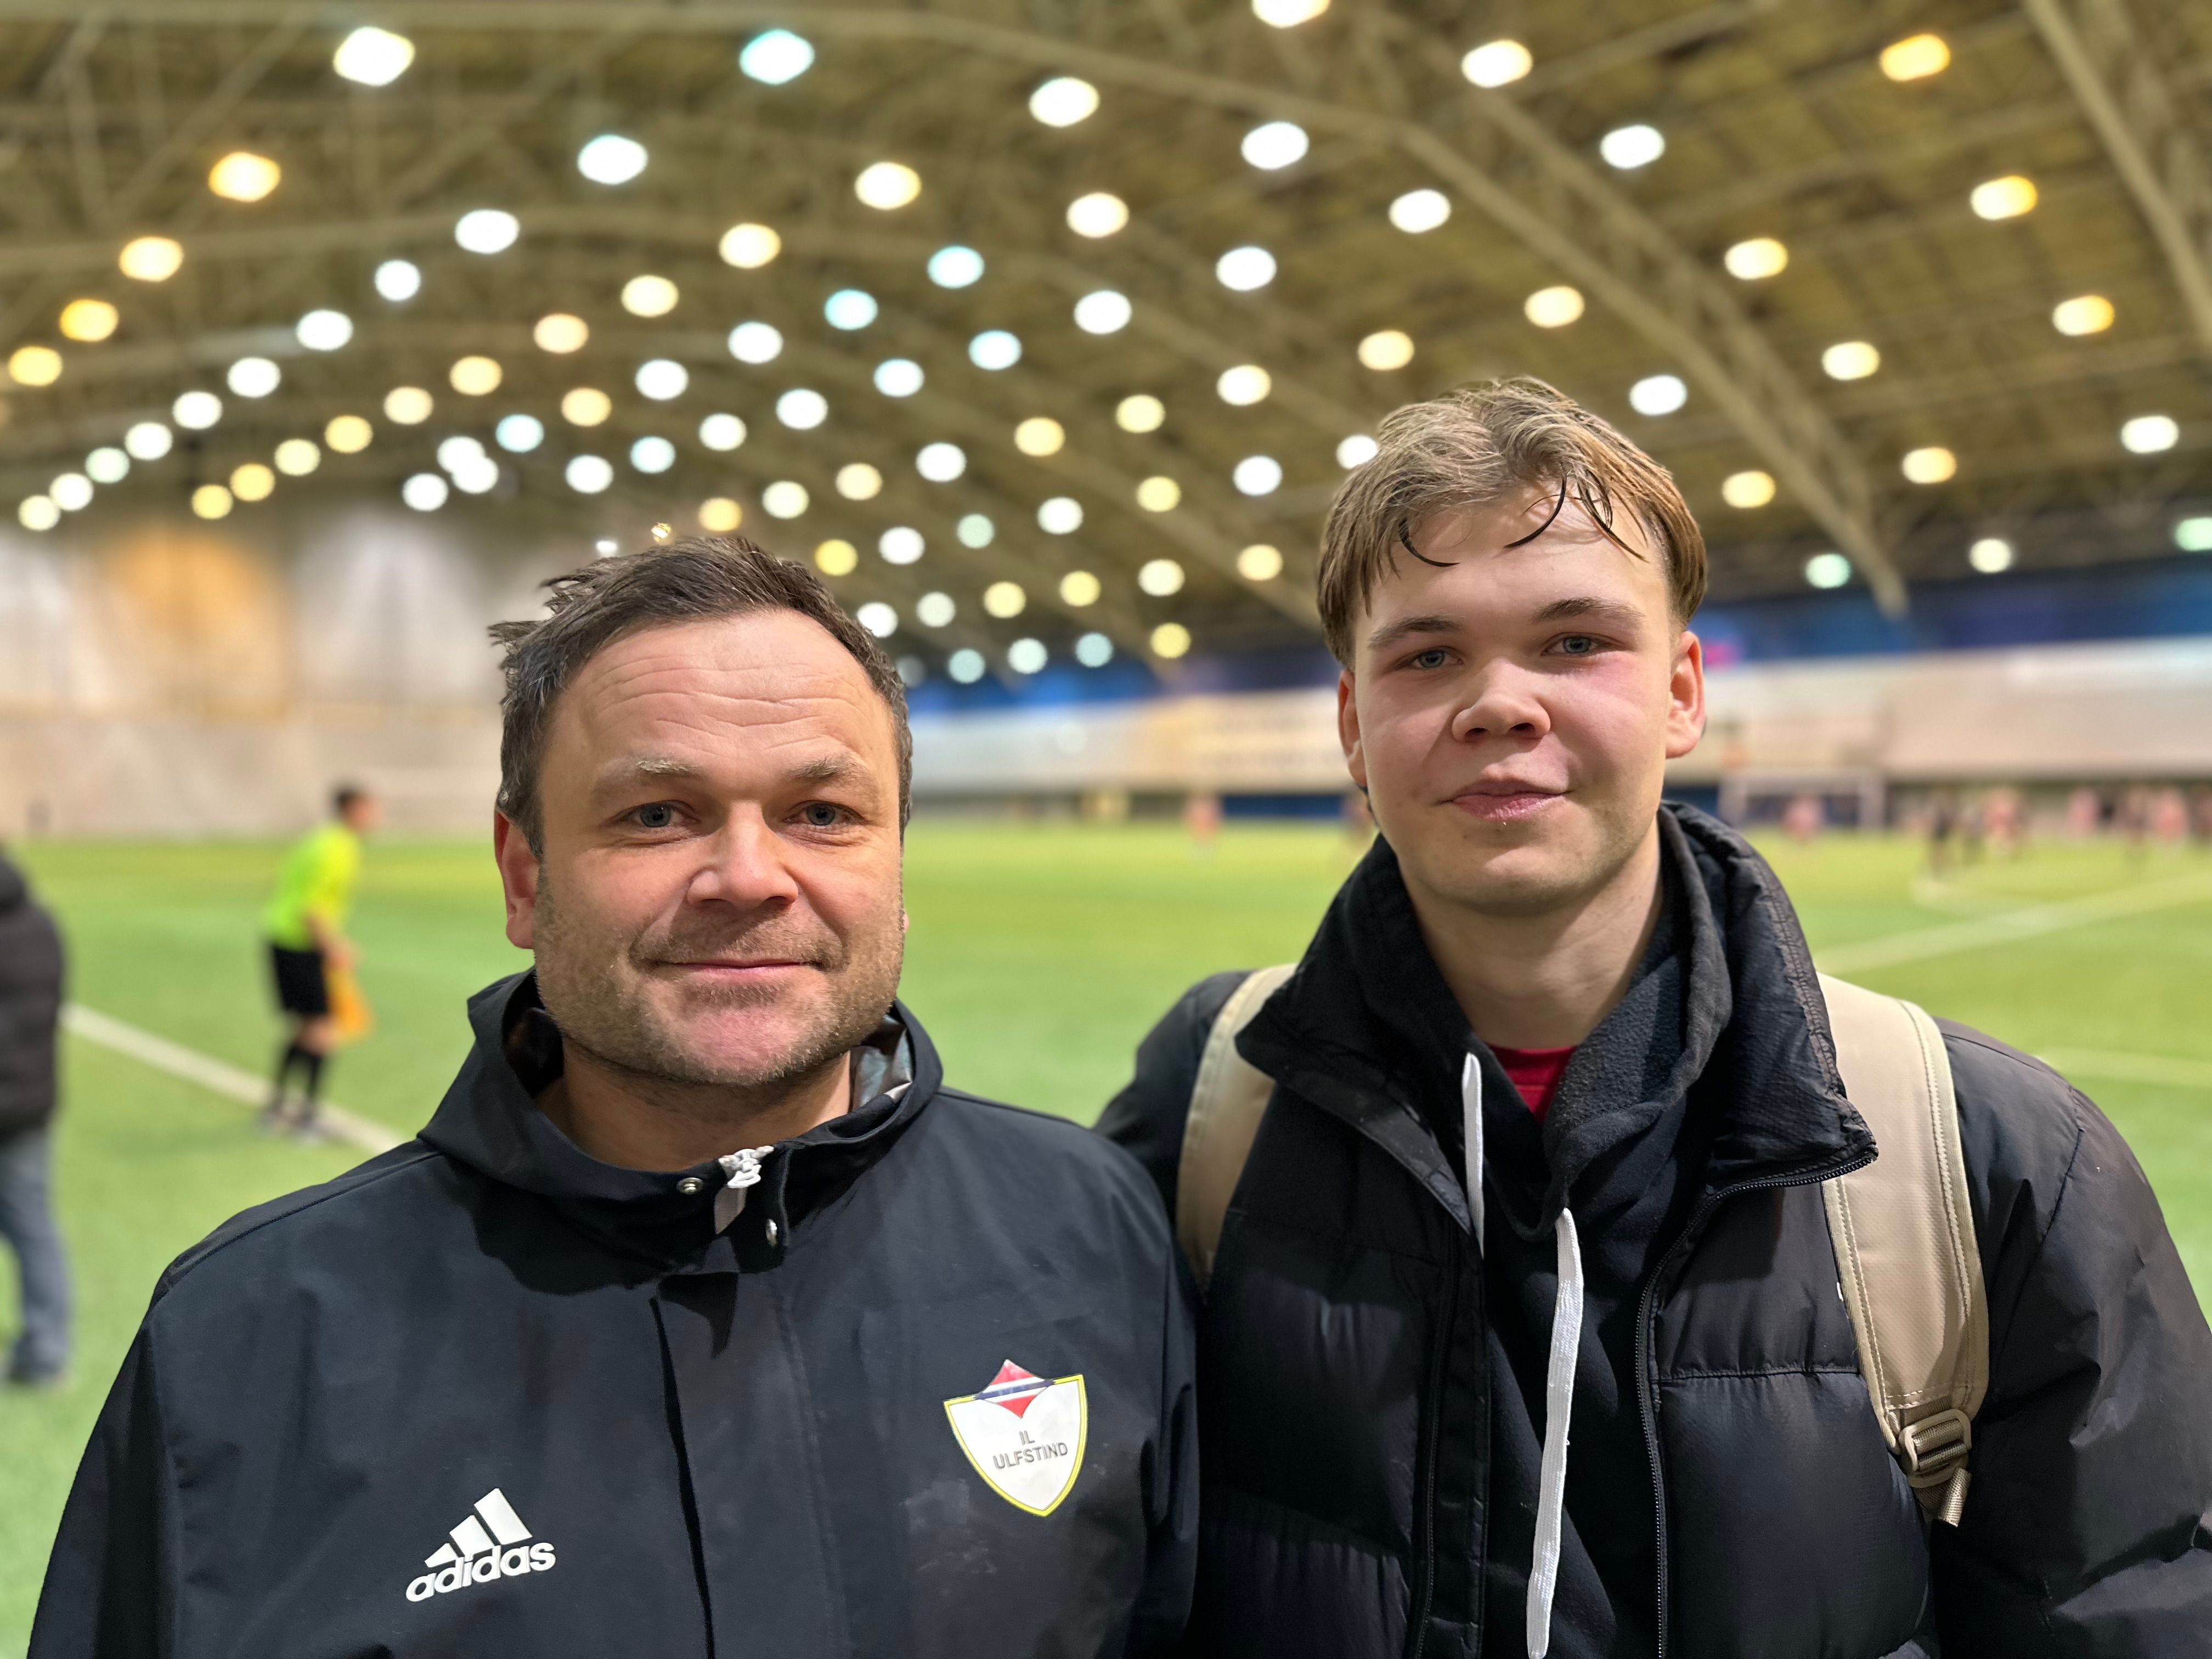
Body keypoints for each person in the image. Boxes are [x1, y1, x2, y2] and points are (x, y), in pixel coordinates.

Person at [1099, 379, 2212, 1656]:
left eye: (1576, 642)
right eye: (1427, 655)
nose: (1501, 702)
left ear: (1683, 692)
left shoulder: (1991, 1158)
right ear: (1355, 725)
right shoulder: (1214, 1100)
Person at [36, 540, 1194, 1656]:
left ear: (895, 860)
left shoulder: (1091, 1230)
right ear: (523, 875)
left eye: (823, 814)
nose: (748, 877)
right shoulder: (251, 1339)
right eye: (656, 814)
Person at [261, 783, 378, 1136]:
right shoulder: (337, 848)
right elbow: (311, 907)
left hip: (283, 937)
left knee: (305, 1026)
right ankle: (308, 1119)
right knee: (323, 1029)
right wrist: (334, 947)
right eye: (370, 808)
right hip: (303, 944)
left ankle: (275, 1109)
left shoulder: (319, 840)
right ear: (352, 809)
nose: (375, 817)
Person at [0, 847, 68, 1389]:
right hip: (30, 1103)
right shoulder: (42, 923)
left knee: (31, 1227)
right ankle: (47, 1351)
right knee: (33, 1228)